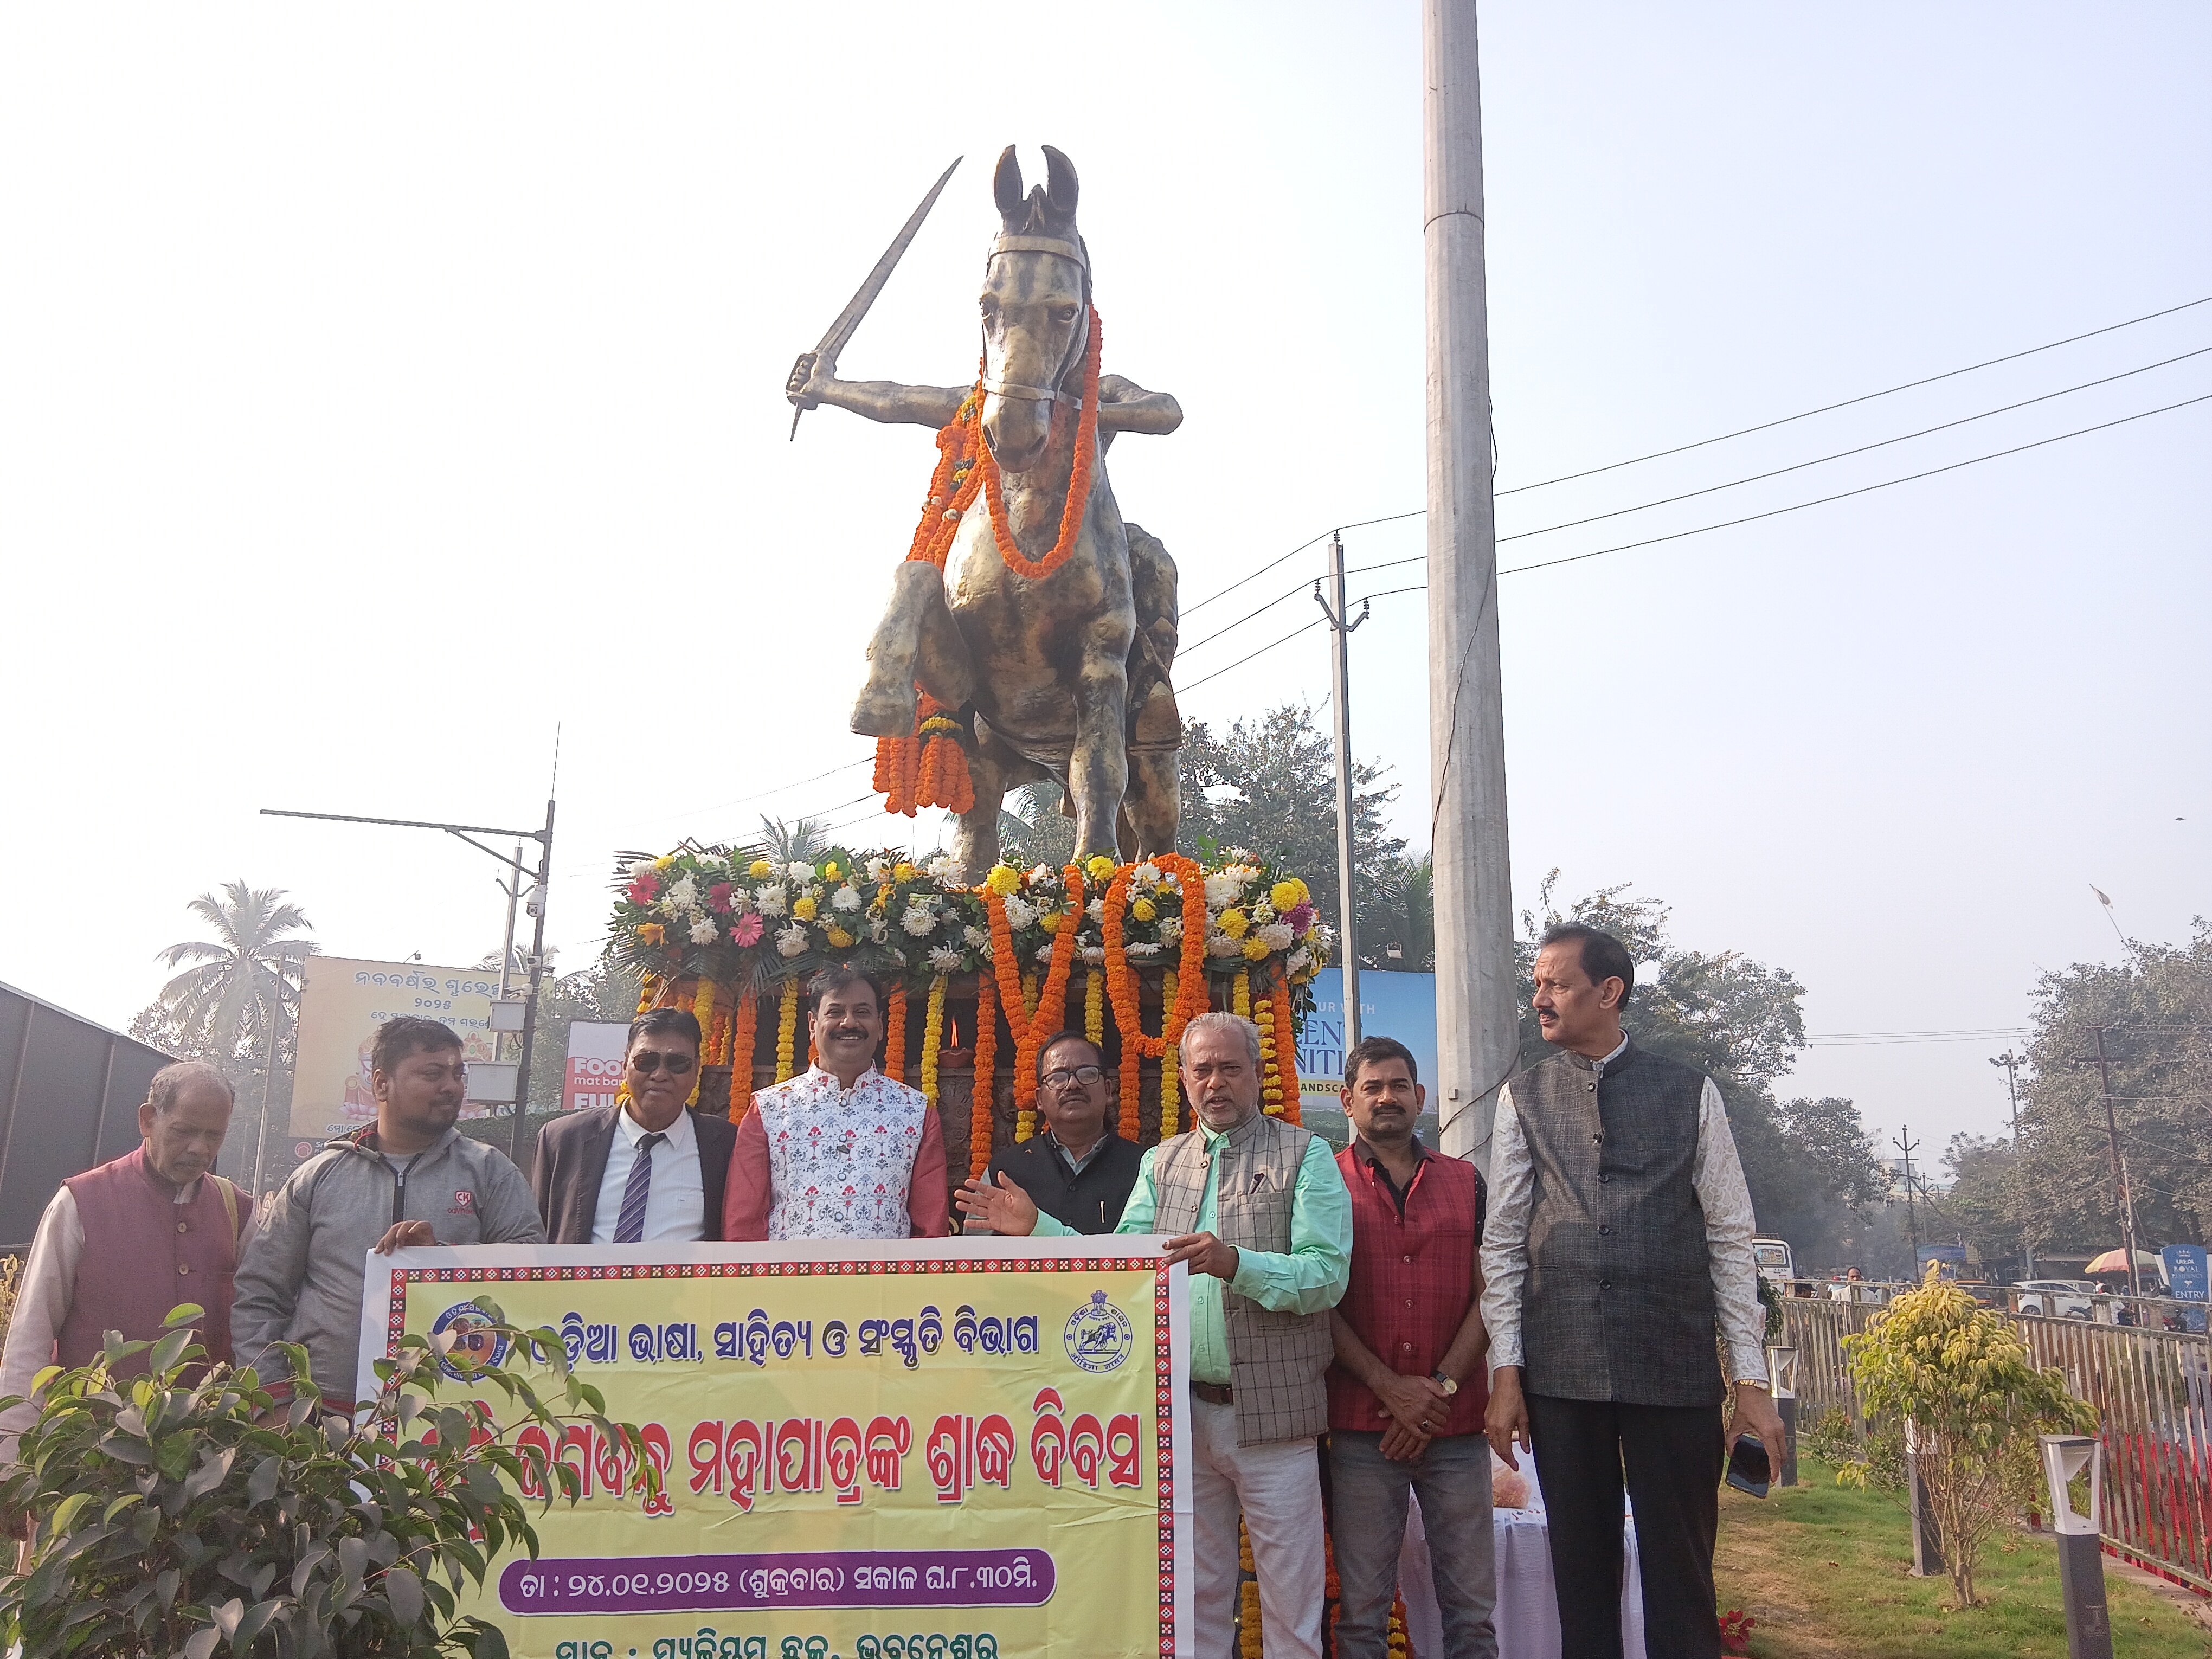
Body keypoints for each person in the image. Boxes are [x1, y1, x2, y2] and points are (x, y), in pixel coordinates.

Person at [956, 1012, 1351, 1659]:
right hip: (1179, 1415)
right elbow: (1119, 1265)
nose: (1216, 1083)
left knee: (1292, 1611)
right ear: (1185, 1080)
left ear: (1257, 1074)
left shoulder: (1303, 1155)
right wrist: (1039, 1228)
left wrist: (1236, 1263)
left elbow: (1326, 1276)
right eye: (1203, 1070)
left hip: (1273, 1415)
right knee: (1194, 1601)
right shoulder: (1165, 1162)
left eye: (1230, 1068)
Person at [1481, 924, 1782, 1659]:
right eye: (1539, 983)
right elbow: (1504, 1240)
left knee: (1682, 1579)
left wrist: (1750, 1378)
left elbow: (1730, 1236)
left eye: (1557, 984)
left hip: (1672, 1366)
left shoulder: (1690, 1092)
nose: (1540, 998)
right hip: (1563, 1371)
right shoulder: (1523, 1097)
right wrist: (1506, 1373)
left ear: (1608, 993)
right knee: (1581, 1581)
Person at [232, 1015, 544, 1410]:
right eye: (433, 1074)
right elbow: (260, 1294)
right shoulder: (320, 1175)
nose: (451, 1087)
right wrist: (273, 1400)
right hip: (320, 1418)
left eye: (458, 1074)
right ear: (381, 1084)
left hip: (445, 1419)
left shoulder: (490, 1171)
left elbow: (534, 1274)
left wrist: (443, 1261)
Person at [1328, 1036, 1496, 1659]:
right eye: (1372, 1088)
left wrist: (1436, 1392)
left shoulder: (1465, 1181)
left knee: (1472, 1616)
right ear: (1348, 1101)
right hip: (1360, 1430)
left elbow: (1491, 1294)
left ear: (1420, 1097)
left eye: (1399, 1085)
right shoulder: (1321, 1184)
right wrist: (1389, 1389)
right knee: (1363, 1617)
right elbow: (1317, 1302)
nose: (1387, 1098)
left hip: (1455, 1429)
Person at [0, 1062, 253, 1463]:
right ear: (148, 1120)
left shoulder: (238, 1212)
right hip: (91, 1460)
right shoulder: (81, 1203)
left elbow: (258, 1326)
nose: (200, 1149)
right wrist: (13, 1455)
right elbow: (31, 1335)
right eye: (185, 1131)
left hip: (203, 1466)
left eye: (214, 1136)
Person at [723, 967, 949, 1240]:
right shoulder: (770, 1109)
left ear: (880, 1026)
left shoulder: (916, 1111)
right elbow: (743, 1225)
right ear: (812, 1025)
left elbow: (930, 1226)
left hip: (885, 1282)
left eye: (862, 1012)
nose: (849, 1022)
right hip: (790, 1281)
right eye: (835, 1012)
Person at [532, 1008, 737, 1243]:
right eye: (646, 1061)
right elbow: (538, 1234)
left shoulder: (726, 1145)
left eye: (677, 1063)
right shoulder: (563, 1139)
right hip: (587, 1280)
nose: (660, 1074)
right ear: (625, 1063)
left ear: (696, 1069)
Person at [980, 1032, 1144, 1234]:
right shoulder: (1004, 1172)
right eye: (1057, 1078)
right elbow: (974, 1258)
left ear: (1108, 1091)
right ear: (1039, 1099)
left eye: (1087, 1074)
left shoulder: (1144, 1168)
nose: (1073, 1085)